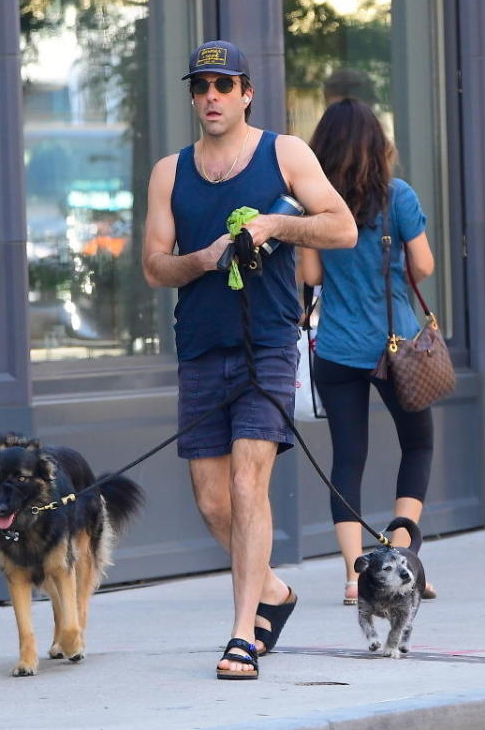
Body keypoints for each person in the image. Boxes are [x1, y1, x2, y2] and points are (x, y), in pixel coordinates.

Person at [142, 40, 356, 679]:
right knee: (213, 501)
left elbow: (341, 227)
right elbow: (155, 267)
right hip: (201, 348)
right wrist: (200, 261)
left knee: (246, 483)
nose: (211, 96)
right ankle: (273, 592)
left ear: (246, 93)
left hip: (267, 343)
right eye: (201, 86)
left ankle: (241, 635)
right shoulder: (168, 171)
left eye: (223, 85)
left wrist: (274, 226)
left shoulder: (284, 153)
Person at [298, 99, 437, 607]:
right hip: (395, 346)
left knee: (348, 458)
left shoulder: (316, 205)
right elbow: (423, 266)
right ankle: (401, 564)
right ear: (379, 147)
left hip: (337, 348)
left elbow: (311, 277)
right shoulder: (398, 197)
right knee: (417, 446)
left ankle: (355, 579)